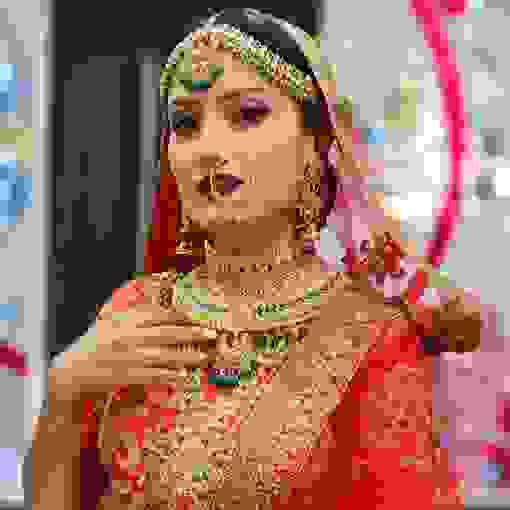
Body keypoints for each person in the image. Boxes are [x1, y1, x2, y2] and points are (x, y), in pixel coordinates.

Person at [31, 8, 484, 509]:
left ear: (316, 146)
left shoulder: (368, 338)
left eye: (247, 115)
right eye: (186, 123)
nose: (208, 148)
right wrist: (65, 391)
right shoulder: (135, 311)